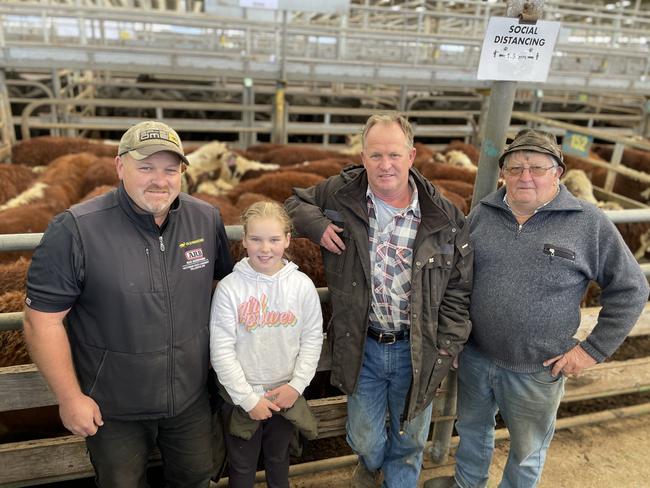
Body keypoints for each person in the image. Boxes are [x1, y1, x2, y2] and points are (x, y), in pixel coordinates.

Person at [23, 120, 234, 488]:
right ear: (120, 167)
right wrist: (70, 397)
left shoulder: (205, 219)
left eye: (170, 169)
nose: (160, 180)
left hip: (191, 398)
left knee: (198, 477)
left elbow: (227, 289)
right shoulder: (76, 229)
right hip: (112, 406)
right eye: (146, 167)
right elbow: (40, 321)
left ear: (183, 172)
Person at [448, 128, 649, 488]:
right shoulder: (483, 213)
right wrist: (455, 335)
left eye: (537, 168)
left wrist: (592, 350)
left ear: (557, 172)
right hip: (475, 357)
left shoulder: (588, 222)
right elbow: (458, 279)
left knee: (526, 451)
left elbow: (632, 287)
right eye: (516, 167)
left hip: (537, 369)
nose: (525, 176)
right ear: (503, 173)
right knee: (471, 434)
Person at [285, 114, 473, 487]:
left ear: (411, 156)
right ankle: (370, 464)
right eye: (375, 156)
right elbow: (293, 203)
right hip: (363, 342)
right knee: (364, 435)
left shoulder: (443, 215)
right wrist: (318, 226)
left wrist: (448, 345)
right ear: (363, 156)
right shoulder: (342, 192)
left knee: (411, 438)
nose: (385, 165)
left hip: (418, 347)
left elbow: (458, 287)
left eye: (393, 154)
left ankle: (397, 478)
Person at [209, 201, 323, 488]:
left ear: (287, 239)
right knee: (242, 467)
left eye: (274, 240)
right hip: (241, 396)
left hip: (285, 393)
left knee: (278, 460)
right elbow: (221, 349)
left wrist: (296, 386)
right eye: (256, 239)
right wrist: (247, 399)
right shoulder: (230, 288)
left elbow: (311, 339)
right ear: (244, 240)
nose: (265, 248)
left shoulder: (302, 286)